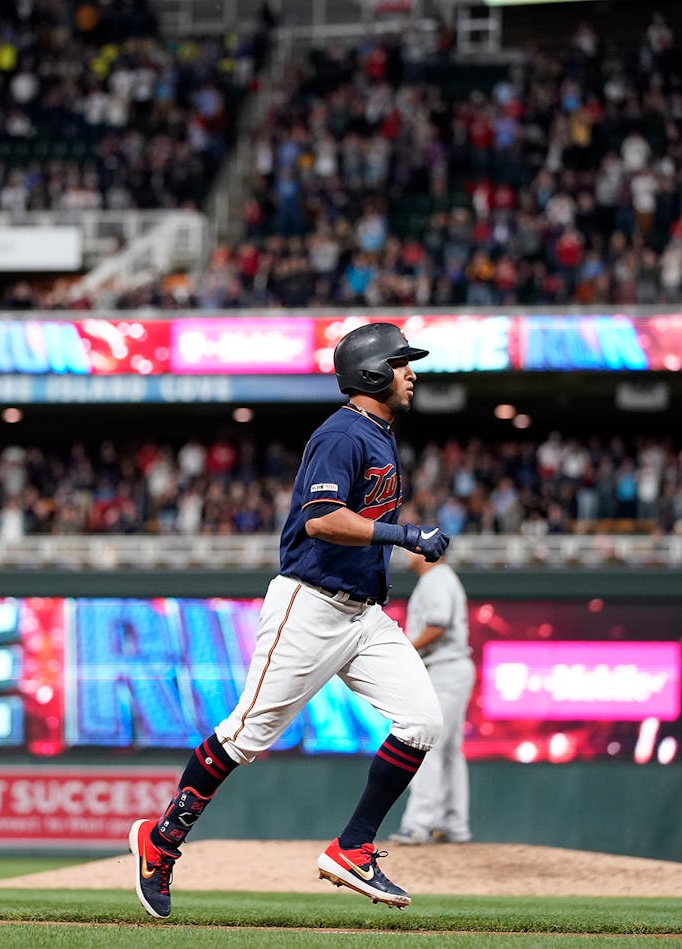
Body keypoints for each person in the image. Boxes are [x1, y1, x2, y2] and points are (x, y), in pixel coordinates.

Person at [128, 322, 451, 919]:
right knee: (245, 735)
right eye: (403, 363)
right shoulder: (343, 434)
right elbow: (322, 519)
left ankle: (353, 847)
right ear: (373, 373)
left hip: (364, 615)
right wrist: (405, 535)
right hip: (310, 604)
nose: (413, 373)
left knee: (423, 723)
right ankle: (161, 842)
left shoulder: (378, 433)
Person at [388, 550, 475, 845]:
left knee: (428, 746)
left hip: (444, 669)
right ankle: (453, 823)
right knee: (449, 750)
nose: (405, 553)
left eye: (411, 549)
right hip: (450, 668)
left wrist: (405, 651)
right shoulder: (439, 578)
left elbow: (438, 625)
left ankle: (419, 824)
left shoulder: (436, 578)